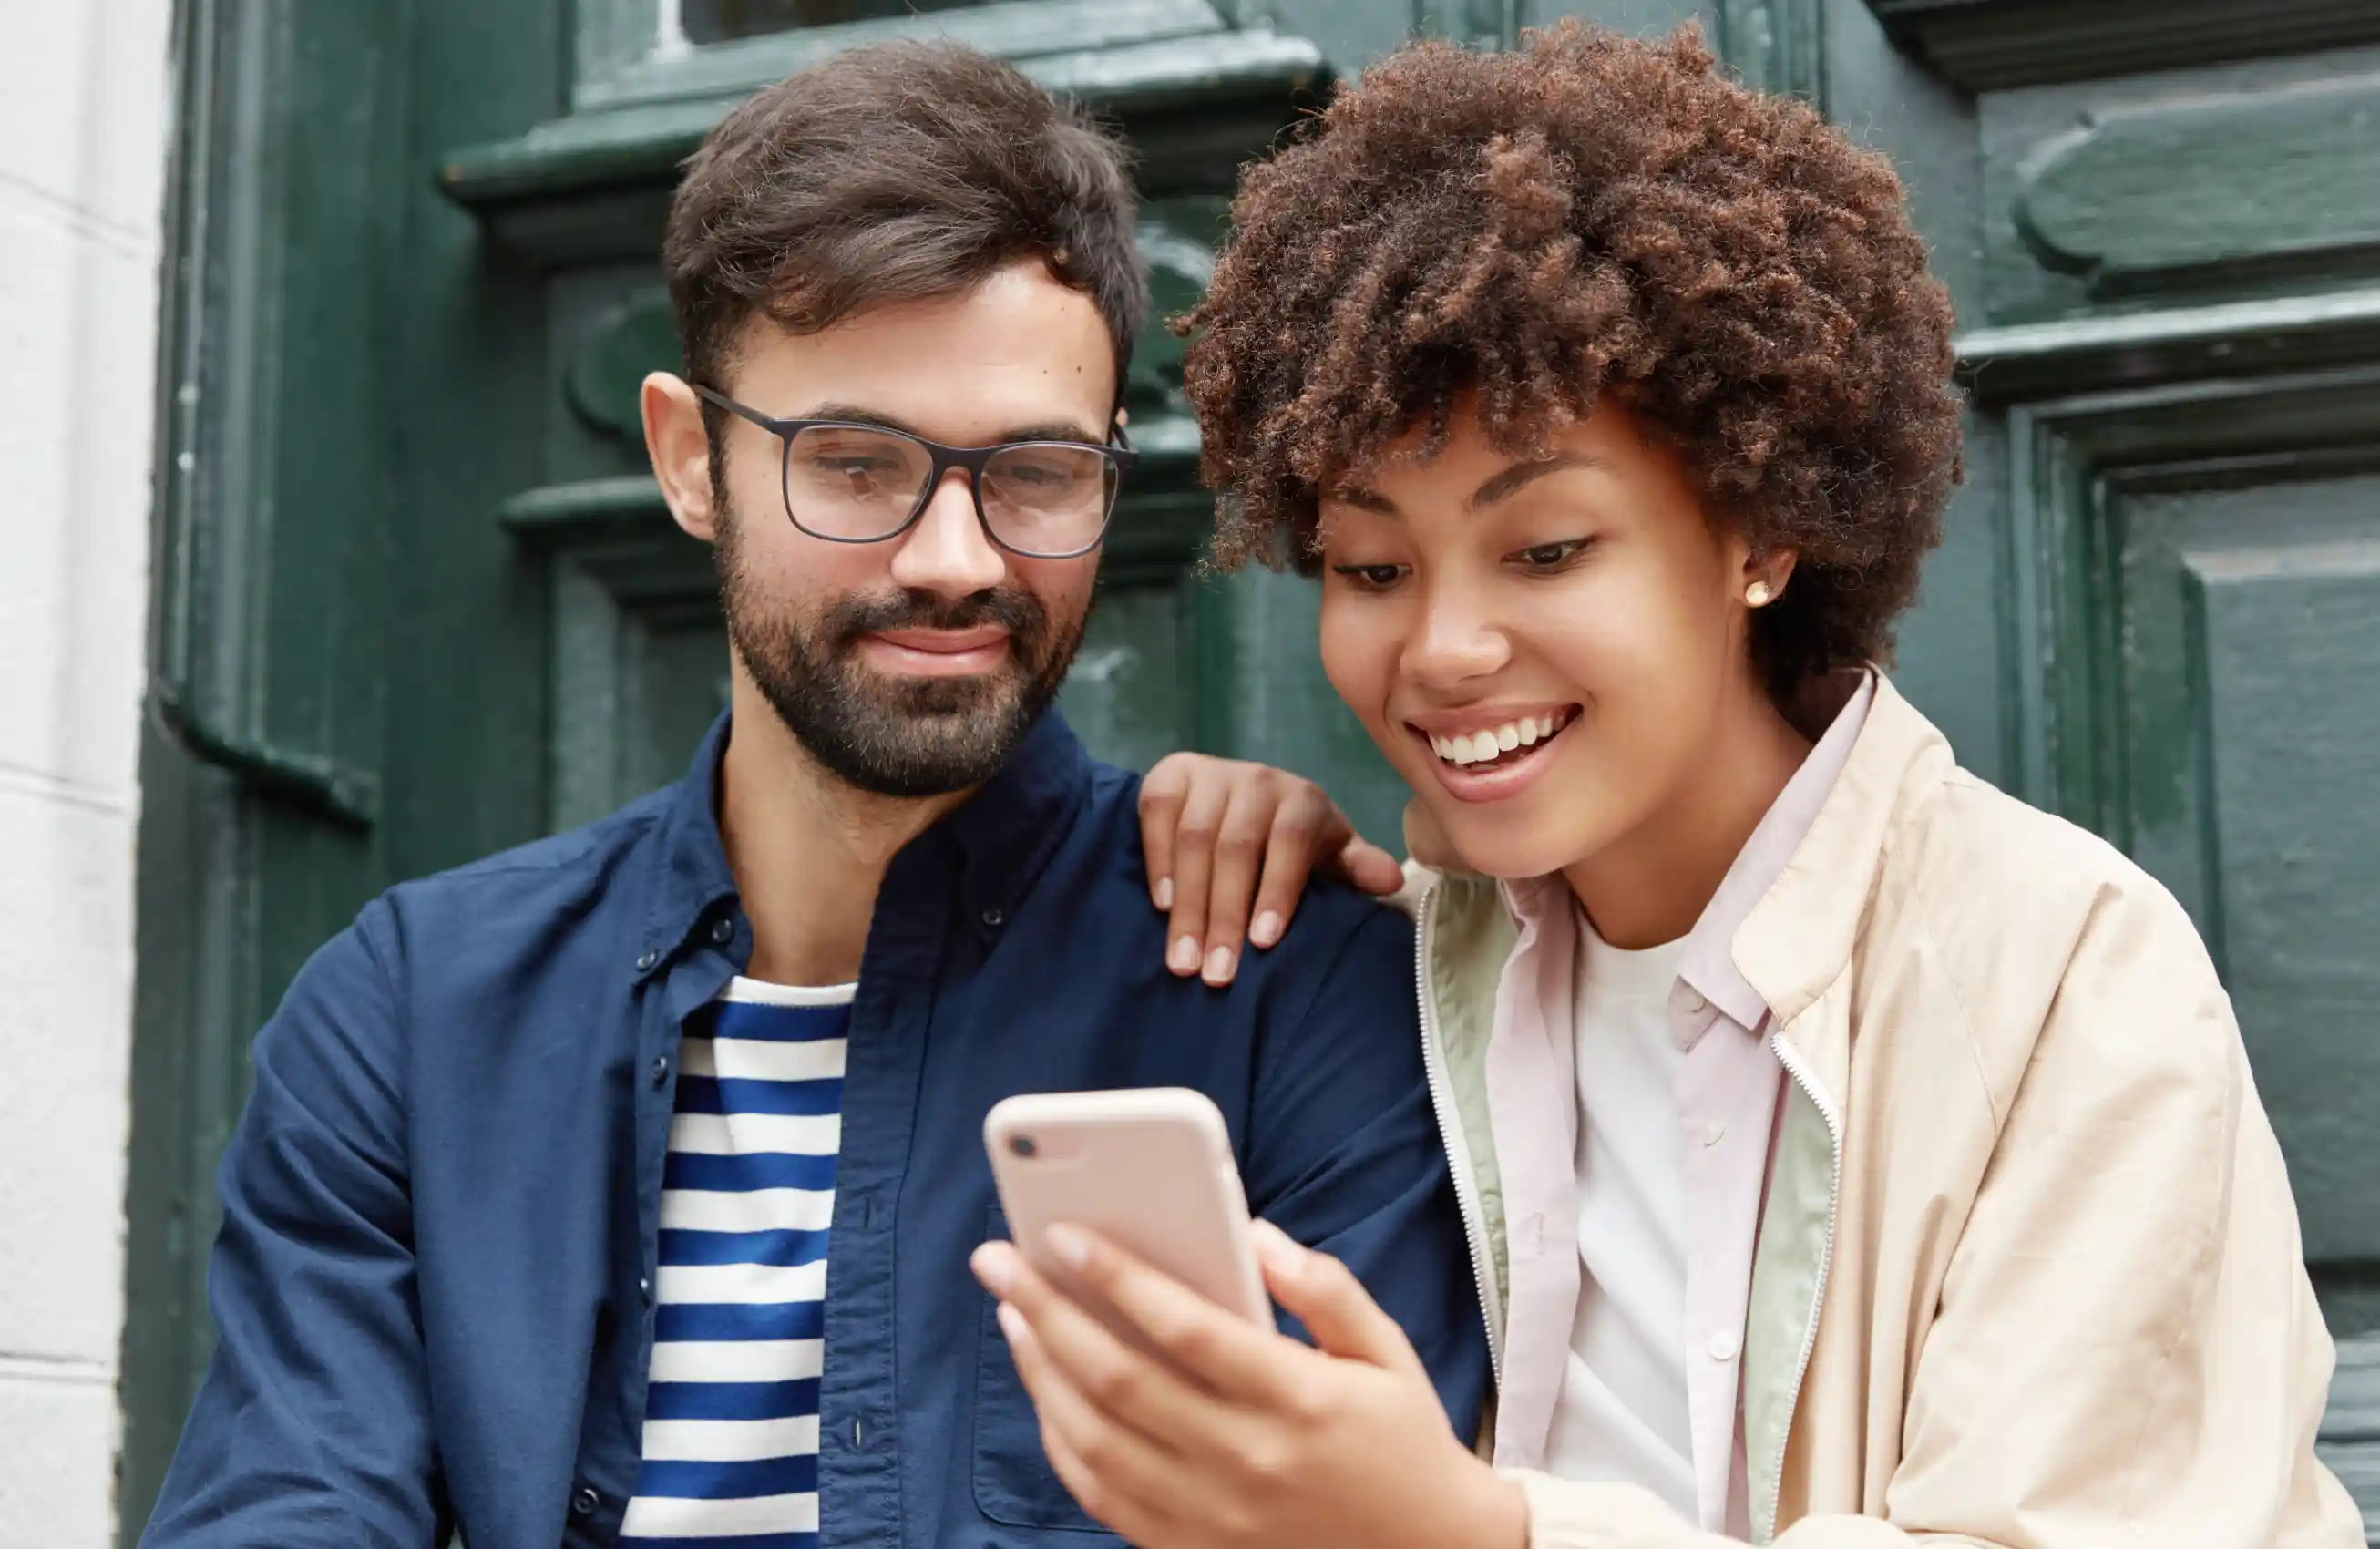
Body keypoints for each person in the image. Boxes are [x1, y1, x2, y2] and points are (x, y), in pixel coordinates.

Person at [974, 23, 2363, 1548]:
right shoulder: (1402, 956)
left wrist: (1479, 1535)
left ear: (1758, 534)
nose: (1440, 650)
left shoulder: (2069, 980)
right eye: (1372, 566)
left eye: (1548, 548)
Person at [138, 41, 1488, 1549]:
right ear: (687, 458)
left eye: (1036, 471)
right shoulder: (409, 1015)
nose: (955, 558)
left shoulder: (1294, 990)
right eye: (854, 464)